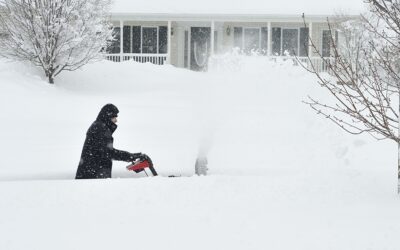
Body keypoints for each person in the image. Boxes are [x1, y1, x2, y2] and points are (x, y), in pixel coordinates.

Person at [75, 104, 145, 179]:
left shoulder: (100, 126)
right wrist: (130, 156)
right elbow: (108, 152)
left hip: (92, 173)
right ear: (108, 116)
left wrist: (130, 156)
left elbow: (106, 152)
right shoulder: (100, 128)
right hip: (92, 176)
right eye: (114, 117)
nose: (116, 120)